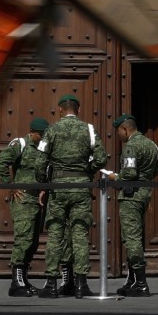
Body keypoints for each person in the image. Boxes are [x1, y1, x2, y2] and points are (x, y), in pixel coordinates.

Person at [35, 94, 107, 299]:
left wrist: (44, 184)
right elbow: (101, 158)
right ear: (79, 109)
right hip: (82, 188)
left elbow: (40, 162)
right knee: (80, 235)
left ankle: (51, 283)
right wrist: (87, 172)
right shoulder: (90, 129)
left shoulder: (51, 130)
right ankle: (81, 284)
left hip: (58, 188)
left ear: (59, 110)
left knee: (55, 234)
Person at [105, 113, 158, 297]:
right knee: (134, 236)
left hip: (132, 195)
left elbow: (128, 174)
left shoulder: (132, 146)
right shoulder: (152, 145)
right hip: (144, 193)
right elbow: (154, 171)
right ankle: (132, 280)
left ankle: (141, 283)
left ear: (125, 129)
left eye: (119, 132)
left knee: (131, 238)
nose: (119, 136)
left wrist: (114, 177)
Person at [0, 117, 48, 297]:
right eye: (40, 134)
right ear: (32, 132)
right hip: (23, 200)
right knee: (23, 239)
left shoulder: (42, 148)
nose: (43, 137)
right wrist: (10, 185)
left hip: (35, 200)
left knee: (32, 242)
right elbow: (0, 162)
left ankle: (24, 280)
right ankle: (16, 283)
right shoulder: (21, 144)